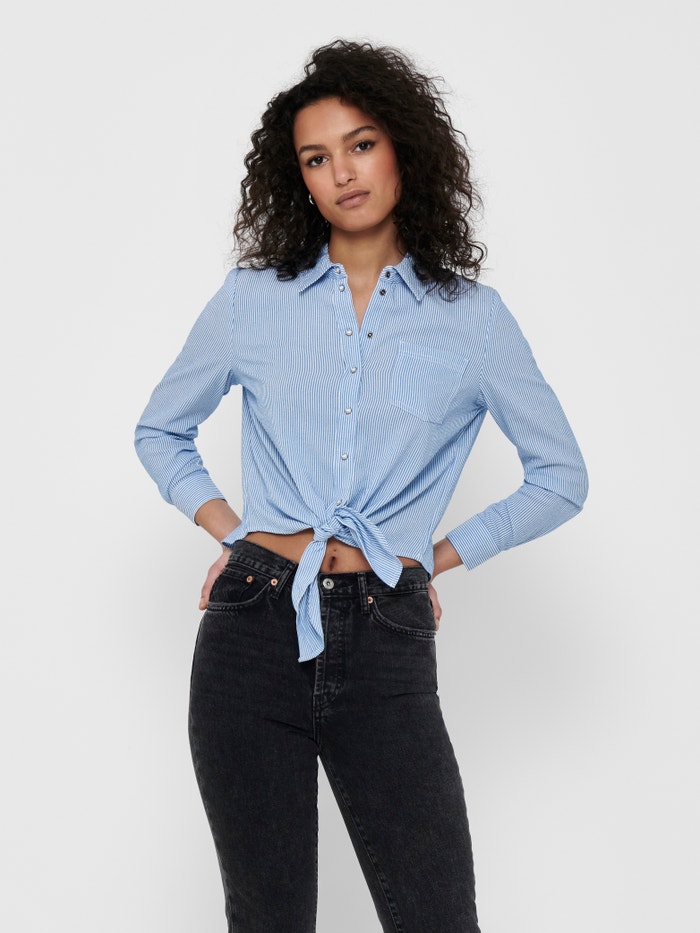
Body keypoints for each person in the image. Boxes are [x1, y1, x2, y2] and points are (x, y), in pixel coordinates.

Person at [134, 39, 588, 933]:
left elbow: (561, 476)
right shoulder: (252, 301)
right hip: (251, 628)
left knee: (436, 915)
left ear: (403, 149)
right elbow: (160, 430)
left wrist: (430, 557)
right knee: (268, 919)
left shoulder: (474, 322)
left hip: (386, 632)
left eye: (362, 144)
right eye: (316, 157)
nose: (342, 172)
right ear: (297, 179)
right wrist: (232, 532)